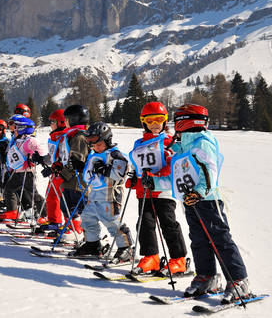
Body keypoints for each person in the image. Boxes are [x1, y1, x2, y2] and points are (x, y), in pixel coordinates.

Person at [153, 104, 251, 303]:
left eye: (177, 120)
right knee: (198, 239)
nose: (175, 125)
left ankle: (239, 280)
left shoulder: (202, 142)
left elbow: (210, 170)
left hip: (207, 200)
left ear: (186, 121)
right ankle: (207, 277)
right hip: (191, 201)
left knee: (220, 239)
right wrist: (153, 182)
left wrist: (199, 192)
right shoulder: (184, 146)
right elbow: (177, 176)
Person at [127, 102, 188, 275]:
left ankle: (178, 259)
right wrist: (133, 178)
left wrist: (157, 176)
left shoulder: (168, 142)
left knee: (168, 224)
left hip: (163, 191)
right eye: (150, 120)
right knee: (144, 224)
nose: (155, 123)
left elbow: (173, 164)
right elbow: (137, 165)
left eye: (159, 119)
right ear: (143, 121)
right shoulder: (139, 143)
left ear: (165, 121)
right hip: (144, 192)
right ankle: (151, 257)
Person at [72, 122, 133, 261]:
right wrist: (81, 167)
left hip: (109, 196)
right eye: (93, 145)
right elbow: (87, 177)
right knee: (87, 219)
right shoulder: (94, 155)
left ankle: (126, 248)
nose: (95, 148)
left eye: (98, 144)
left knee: (112, 222)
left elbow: (120, 173)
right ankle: (93, 244)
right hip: (94, 195)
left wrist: (104, 169)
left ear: (107, 140)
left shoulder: (115, 154)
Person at [0, 115, 46, 221]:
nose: (11, 128)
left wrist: (33, 158)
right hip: (17, 172)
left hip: (27, 173)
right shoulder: (17, 139)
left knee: (34, 195)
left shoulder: (30, 140)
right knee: (8, 190)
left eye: (14, 126)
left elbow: (40, 153)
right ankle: (12, 212)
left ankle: (45, 215)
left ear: (21, 127)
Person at [55, 104, 90, 242]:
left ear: (75, 119)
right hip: (69, 178)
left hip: (78, 179)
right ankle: (74, 229)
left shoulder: (80, 136)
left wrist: (64, 173)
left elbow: (77, 159)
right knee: (66, 206)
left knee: (80, 207)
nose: (66, 122)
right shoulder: (71, 135)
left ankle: (89, 234)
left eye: (67, 119)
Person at [30, 109, 67, 232]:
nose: (50, 124)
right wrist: (41, 159)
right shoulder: (53, 137)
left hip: (64, 174)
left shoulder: (64, 137)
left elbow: (65, 157)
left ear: (61, 122)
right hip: (55, 173)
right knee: (51, 196)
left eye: (52, 121)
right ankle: (54, 221)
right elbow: (52, 157)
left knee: (65, 200)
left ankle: (70, 227)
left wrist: (55, 168)